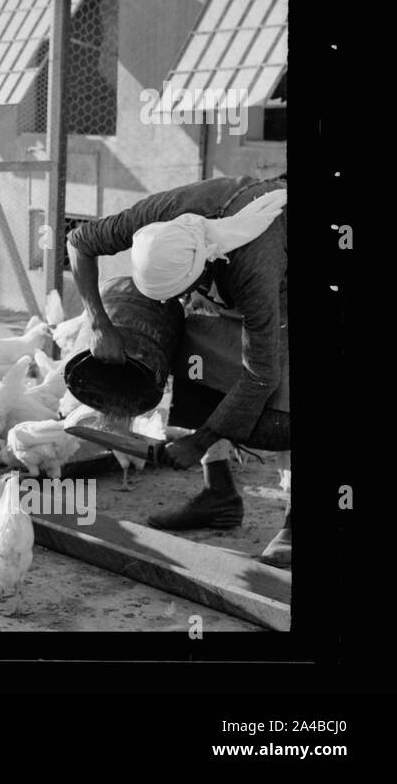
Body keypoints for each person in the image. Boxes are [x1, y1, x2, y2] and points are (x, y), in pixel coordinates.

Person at [67, 174, 289, 567]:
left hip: (283, 283)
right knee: (198, 367)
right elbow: (79, 242)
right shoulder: (160, 217)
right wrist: (100, 322)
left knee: (283, 397)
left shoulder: (255, 266)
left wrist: (198, 441)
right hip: (228, 279)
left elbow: (261, 376)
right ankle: (218, 493)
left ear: (202, 270)